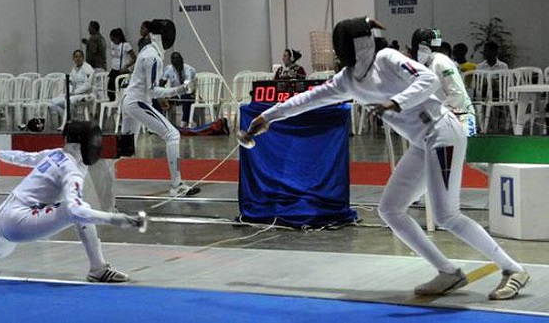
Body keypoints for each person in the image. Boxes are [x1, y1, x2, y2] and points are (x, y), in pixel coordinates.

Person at [243, 16, 529, 300]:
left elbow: (428, 80)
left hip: (443, 132)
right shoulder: (347, 80)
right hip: (422, 143)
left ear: (357, 44)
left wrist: (397, 102)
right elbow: (308, 99)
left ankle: (513, 269)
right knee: (390, 209)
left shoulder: (387, 58)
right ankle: (448, 272)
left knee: (446, 214)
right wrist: (268, 117)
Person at [0, 121, 148, 282]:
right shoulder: (72, 170)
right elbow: (75, 209)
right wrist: (119, 220)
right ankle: (98, 269)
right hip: (19, 220)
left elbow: (25, 158)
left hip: (4, 214)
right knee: (79, 210)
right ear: (82, 145)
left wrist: (0, 153)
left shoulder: (54, 154)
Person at [119, 19, 201, 197]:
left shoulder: (149, 52)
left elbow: (149, 87)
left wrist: (163, 96)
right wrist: (180, 89)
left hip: (132, 101)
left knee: (123, 148)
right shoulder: (152, 56)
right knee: (172, 135)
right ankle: (177, 185)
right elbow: (153, 90)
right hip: (137, 102)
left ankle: (92, 179)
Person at [411, 28, 476, 136]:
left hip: (461, 117)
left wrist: (435, 113)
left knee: (463, 152)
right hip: (441, 119)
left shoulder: (441, 62)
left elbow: (457, 94)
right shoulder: (425, 66)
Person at [49, 49, 95, 130]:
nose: (78, 59)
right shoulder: (74, 69)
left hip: (86, 95)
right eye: (76, 57)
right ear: (73, 58)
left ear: (83, 57)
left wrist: (75, 92)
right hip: (74, 94)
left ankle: (64, 126)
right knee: (54, 102)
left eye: (80, 57)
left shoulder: (88, 69)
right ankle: (67, 121)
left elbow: (88, 85)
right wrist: (69, 92)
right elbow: (70, 83)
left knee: (69, 101)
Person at [160, 51, 197, 128]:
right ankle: (167, 123)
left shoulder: (188, 70)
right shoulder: (169, 69)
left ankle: (184, 122)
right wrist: (163, 94)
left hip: (189, 93)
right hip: (175, 93)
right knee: (162, 98)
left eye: (179, 62)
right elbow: (162, 83)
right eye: (175, 63)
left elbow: (188, 87)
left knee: (186, 96)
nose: (178, 66)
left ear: (182, 60)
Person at [108, 28, 136, 101]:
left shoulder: (126, 45)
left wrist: (126, 66)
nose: (113, 41)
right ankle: (112, 102)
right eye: (111, 39)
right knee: (110, 89)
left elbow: (134, 58)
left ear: (119, 37)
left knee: (120, 89)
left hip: (121, 70)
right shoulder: (112, 44)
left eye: (114, 39)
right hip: (113, 70)